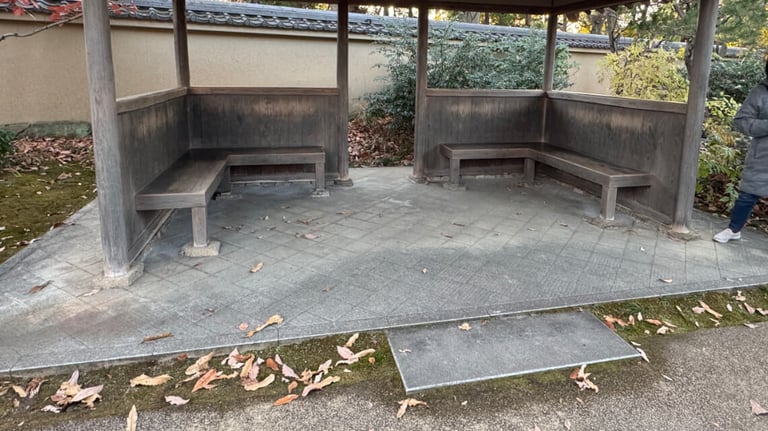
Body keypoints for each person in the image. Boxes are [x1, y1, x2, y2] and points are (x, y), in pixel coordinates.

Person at [713, 61, 768, 243]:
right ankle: (734, 229)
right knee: (747, 196)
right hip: (762, 157)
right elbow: (742, 121)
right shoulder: (760, 93)